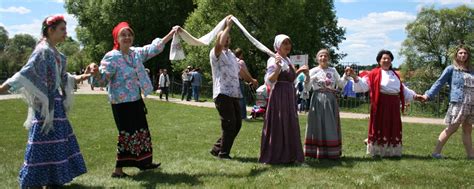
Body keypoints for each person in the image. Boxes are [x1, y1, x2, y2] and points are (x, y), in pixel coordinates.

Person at [0, 14, 88, 188]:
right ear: (50, 30)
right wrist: (3, 88)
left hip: (55, 105)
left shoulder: (57, 54)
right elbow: (25, 73)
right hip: (46, 107)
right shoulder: (42, 51)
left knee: (56, 143)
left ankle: (54, 179)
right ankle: (35, 181)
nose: (65, 32)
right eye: (62, 29)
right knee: (40, 143)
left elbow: (64, 78)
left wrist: (83, 76)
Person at [88, 22, 178, 177]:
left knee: (141, 132)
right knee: (127, 135)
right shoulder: (112, 57)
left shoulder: (135, 53)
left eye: (130, 34)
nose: (127, 37)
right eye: (123, 34)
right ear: (117, 37)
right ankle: (118, 171)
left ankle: (145, 163)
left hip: (135, 100)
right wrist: (95, 73)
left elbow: (153, 48)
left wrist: (171, 33)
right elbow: (102, 81)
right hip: (121, 104)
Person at [347, 49, 423, 157]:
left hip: (393, 105)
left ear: (391, 61)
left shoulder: (395, 75)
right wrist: (355, 77)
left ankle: (391, 151)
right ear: (379, 61)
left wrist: (415, 96)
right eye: (384, 58)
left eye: (389, 59)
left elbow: (402, 89)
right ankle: (377, 150)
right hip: (380, 104)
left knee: (393, 126)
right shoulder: (373, 74)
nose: (386, 60)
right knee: (379, 125)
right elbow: (363, 86)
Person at [209, 15, 257, 159]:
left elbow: (241, 71)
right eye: (224, 37)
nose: (227, 39)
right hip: (222, 93)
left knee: (237, 124)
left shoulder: (232, 56)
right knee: (229, 123)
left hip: (234, 94)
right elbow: (219, 43)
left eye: (228, 37)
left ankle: (217, 148)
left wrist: (252, 80)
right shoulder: (215, 53)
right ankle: (223, 153)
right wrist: (228, 27)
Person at [259, 34, 308, 164]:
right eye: (284, 43)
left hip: (289, 94)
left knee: (289, 122)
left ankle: (290, 155)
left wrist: (298, 72)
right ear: (278, 46)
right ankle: (277, 155)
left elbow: (290, 78)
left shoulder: (288, 60)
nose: (287, 46)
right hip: (279, 94)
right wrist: (278, 68)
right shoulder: (273, 59)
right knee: (279, 122)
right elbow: (270, 81)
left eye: (288, 43)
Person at [421, 45, 474, 159]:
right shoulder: (451, 69)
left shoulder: (472, 70)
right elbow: (439, 82)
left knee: (468, 129)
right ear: (456, 55)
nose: (463, 55)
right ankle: (436, 153)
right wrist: (428, 95)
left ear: (468, 55)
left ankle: (471, 155)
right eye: (460, 53)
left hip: (471, 103)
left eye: (465, 53)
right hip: (459, 102)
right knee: (452, 128)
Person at [304, 49, 348, 159]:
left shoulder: (333, 70)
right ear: (317, 58)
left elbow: (341, 84)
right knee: (317, 123)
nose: (323, 58)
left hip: (330, 100)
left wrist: (345, 75)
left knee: (330, 124)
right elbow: (308, 88)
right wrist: (307, 78)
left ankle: (331, 151)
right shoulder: (313, 70)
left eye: (325, 56)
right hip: (317, 99)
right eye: (321, 56)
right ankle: (315, 151)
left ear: (328, 58)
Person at [234, 48, 257, 120]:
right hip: (240, 81)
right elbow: (246, 72)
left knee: (236, 99)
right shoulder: (241, 62)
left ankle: (237, 115)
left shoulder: (233, 61)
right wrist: (252, 80)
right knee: (242, 99)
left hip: (234, 81)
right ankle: (243, 116)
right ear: (241, 54)